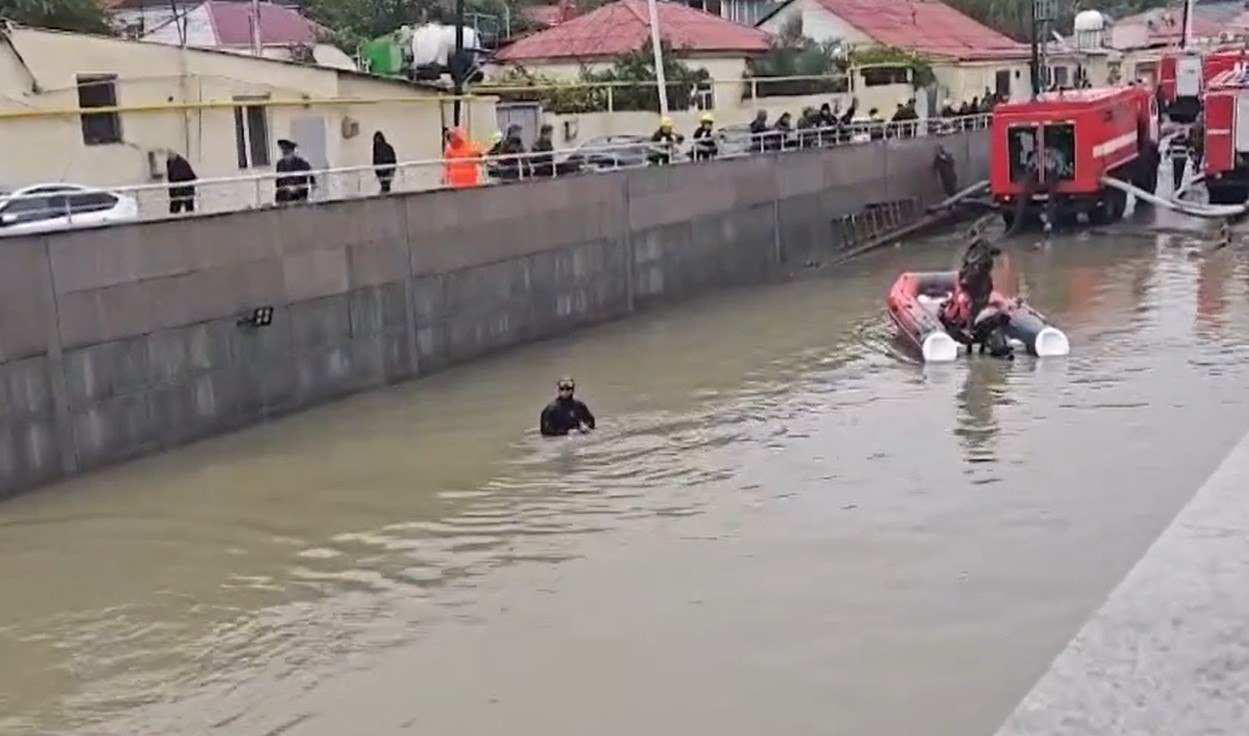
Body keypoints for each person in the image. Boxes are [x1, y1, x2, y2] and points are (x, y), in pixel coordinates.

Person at [274, 138, 313, 204]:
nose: (285, 153)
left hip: (299, 198)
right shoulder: (280, 164)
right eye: (283, 150)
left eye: (287, 151)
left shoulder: (303, 164)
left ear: (292, 151)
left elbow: (312, 181)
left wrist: (296, 188)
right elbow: (278, 183)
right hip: (283, 199)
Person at [1168, 126, 1190, 194]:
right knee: (1180, 172)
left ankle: (1176, 185)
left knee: (1176, 172)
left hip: (1175, 158)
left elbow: (1169, 148)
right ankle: (1178, 185)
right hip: (1182, 158)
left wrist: (1167, 154)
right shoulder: (1186, 140)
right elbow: (1189, 148)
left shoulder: (1173, 140)